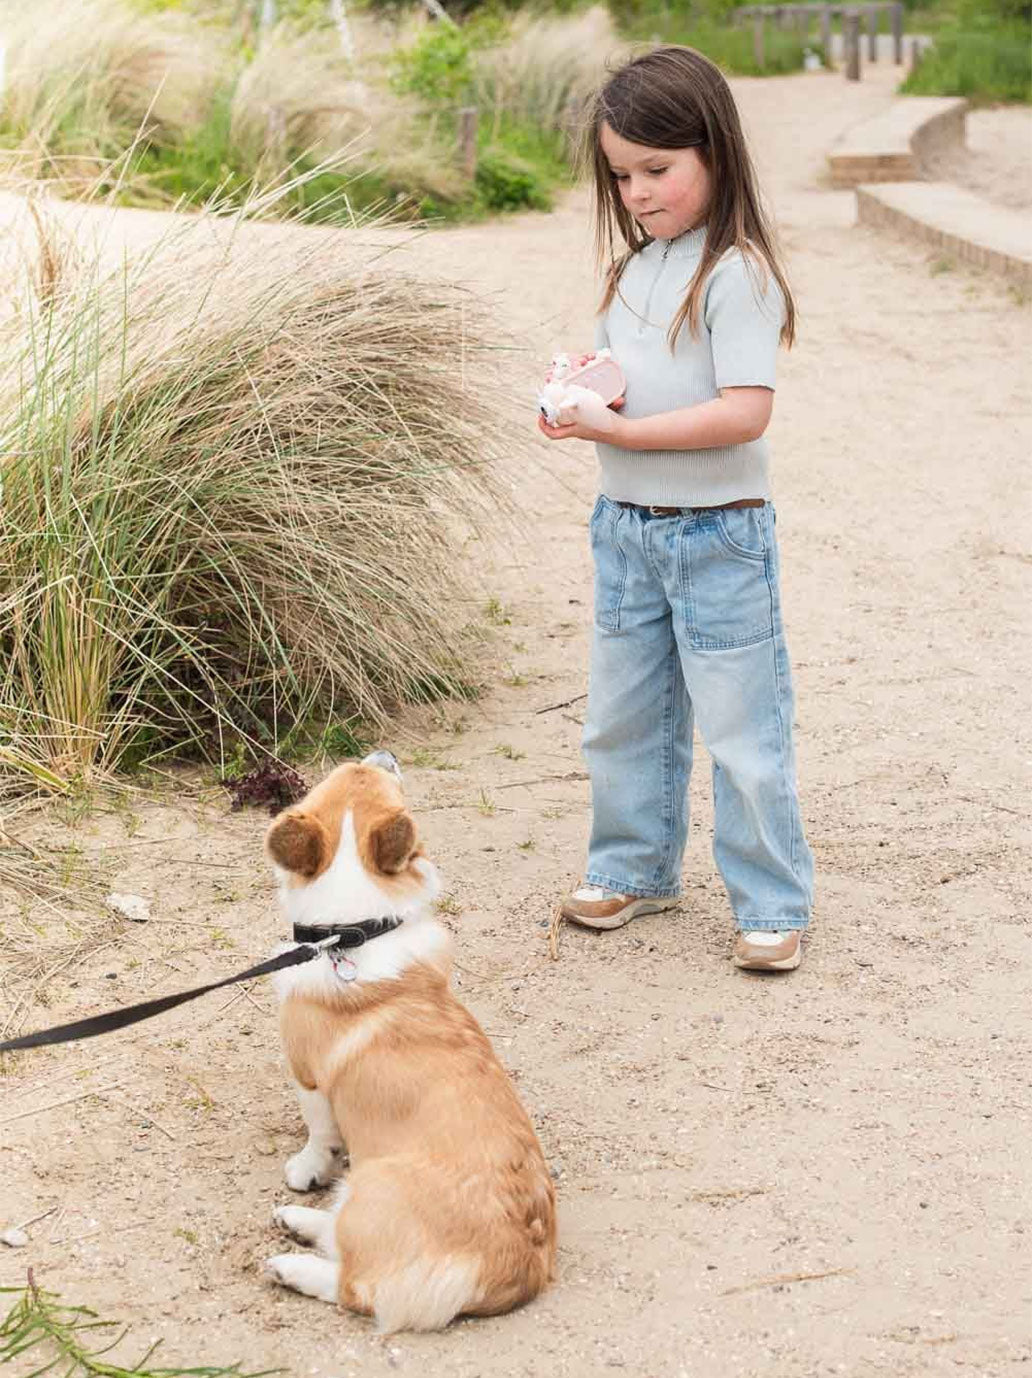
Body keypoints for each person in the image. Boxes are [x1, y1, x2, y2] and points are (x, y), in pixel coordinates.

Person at [538, 46, 814, 973]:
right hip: (625, 530)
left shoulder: (737, 273)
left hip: (717, 533)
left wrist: (619, 433)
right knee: (622, 715)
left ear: (714, 152)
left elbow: (744, 412)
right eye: (622, 176)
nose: (638, 193)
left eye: (657, 169)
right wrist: (581, 394)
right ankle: (632, 867)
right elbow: (633, 380)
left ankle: (770, 901)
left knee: (742, 726)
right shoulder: (633, 271)